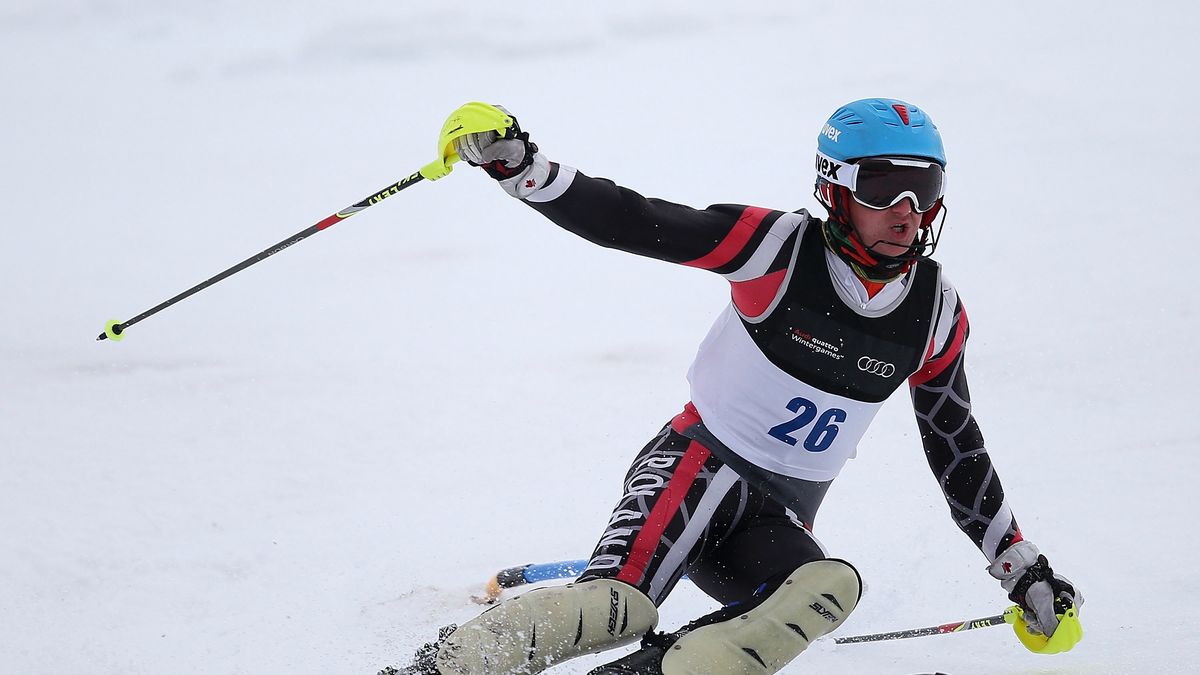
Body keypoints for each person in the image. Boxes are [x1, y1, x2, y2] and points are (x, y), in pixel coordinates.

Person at [397, 99, 1083, 675]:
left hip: (775, 521)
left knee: (828, 586)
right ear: (836, 188)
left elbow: (956, 446)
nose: (906, 210)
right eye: (881, 187)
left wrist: (1021, 565)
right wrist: (523, 169)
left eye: (925, 189)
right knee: (616, 606)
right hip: (695, 470)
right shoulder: (779, 249)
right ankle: (440, 668)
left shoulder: (935, 309)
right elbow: (638, 221)